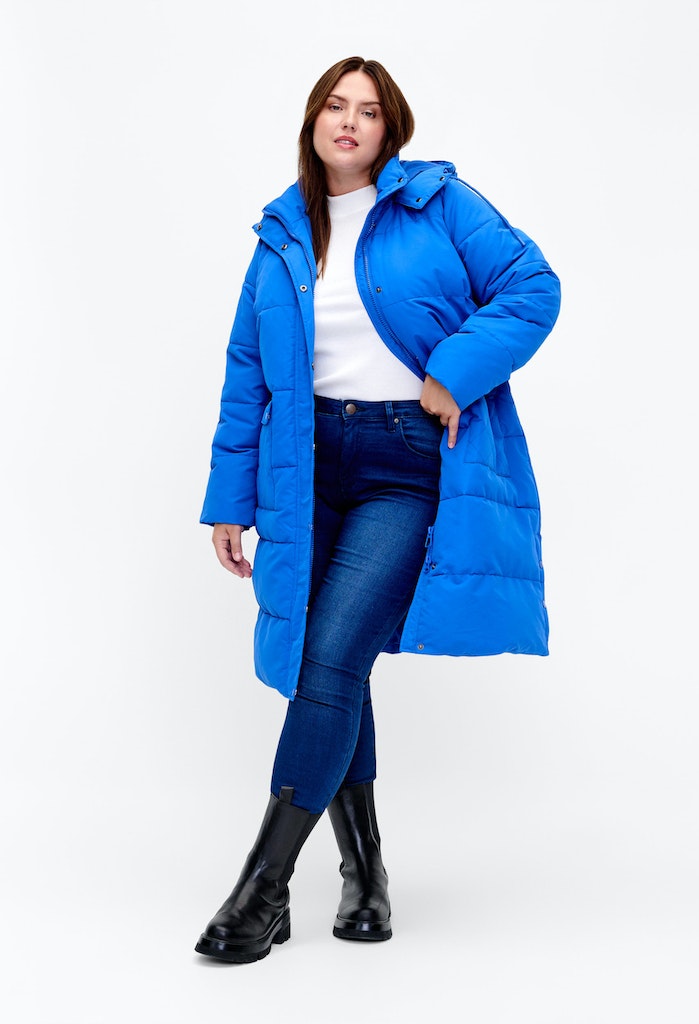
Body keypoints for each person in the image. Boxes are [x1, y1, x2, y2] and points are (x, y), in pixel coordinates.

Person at [195, 56, 561, 964]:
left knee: (325, 657)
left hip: (403, 463)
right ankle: (364, 874)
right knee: (335, 665)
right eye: (335, 105)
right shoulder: (281, 234)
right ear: (313, 121)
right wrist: (229, 501)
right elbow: (247, 374)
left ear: (389, 130)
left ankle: (262, 889)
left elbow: (532, 287)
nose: (349, 121)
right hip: (307, 467)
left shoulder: (439, 204)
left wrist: (452, 373)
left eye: (368, 110)